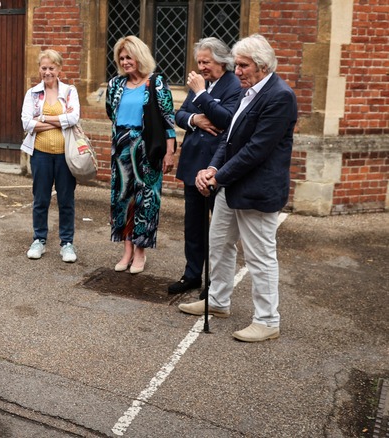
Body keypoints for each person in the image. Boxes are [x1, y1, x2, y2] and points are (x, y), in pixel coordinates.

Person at [178, 34, 298, 343]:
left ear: (261, 66)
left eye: (243, 65)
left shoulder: (279, 96)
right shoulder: (250, 91)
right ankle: (218, 301)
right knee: (218, 244)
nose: (237, 70)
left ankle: (268, 319)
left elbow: (256, 150)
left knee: (260, 257)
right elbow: (229, 139)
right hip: (230, 187)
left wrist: (218, 178)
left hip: (257, 191)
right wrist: (212, 168)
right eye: (237, 64)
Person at [167, 38, 242, 294]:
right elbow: (179, 115)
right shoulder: (202, 83)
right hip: (192, 162)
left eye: (206, 62)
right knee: (194, 224)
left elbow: (227, 120)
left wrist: (200, 95)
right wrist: (195, 119)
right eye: (199, 62)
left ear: (222, 60)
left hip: (216, 166)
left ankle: (214, 282)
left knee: (218, 228)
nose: (201, 67)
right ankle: (192, 274)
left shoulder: (234, 85)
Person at [105, 36, 176, 274]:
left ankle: (140, 252)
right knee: (123, 199)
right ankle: (126, 251)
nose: (125, 62)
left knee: (146, 200)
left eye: (129, 57)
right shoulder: (115, 84)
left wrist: (170, 151)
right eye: (122, 58)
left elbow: (168, 120)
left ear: (140, 56)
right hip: (121, 149)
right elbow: (110, 113)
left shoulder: (155, 83)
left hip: (148, 149)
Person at [20, 49, 80, 263]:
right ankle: (39, 240)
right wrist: (57, 120)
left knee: (66, 200)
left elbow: (73, 118)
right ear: (40, 69)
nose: (47, 72)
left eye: (51, 68)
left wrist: (43, 118)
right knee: (41, 199)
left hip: (65, 156)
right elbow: (26, 122)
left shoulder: (70, 91)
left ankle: (67, 243)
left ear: (59, 69)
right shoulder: (33, 93)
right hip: (40, 155)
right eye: (44, 68)